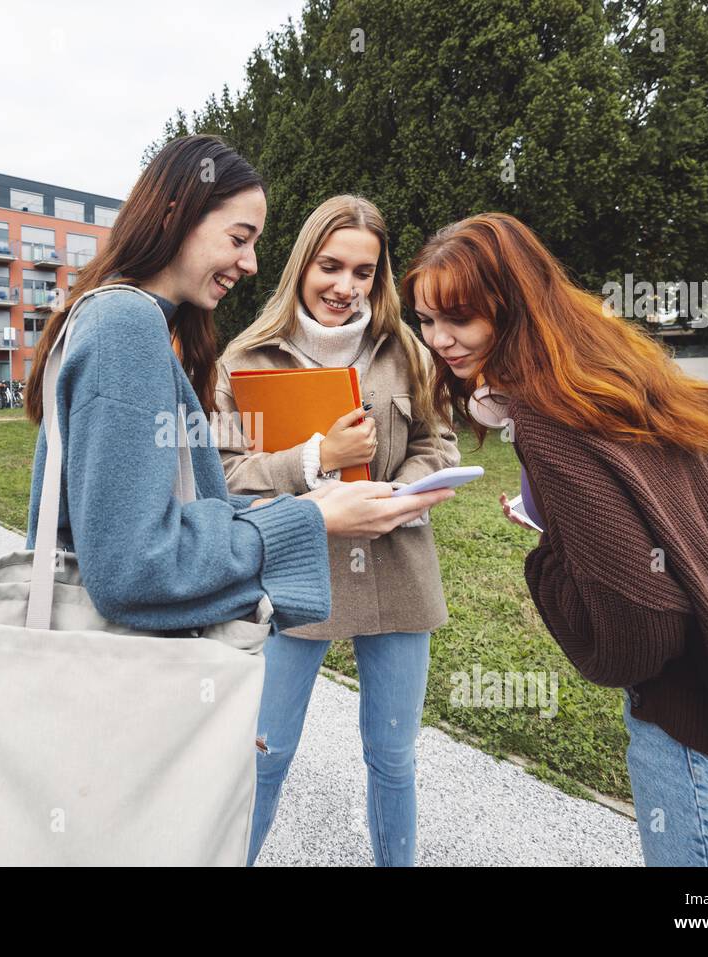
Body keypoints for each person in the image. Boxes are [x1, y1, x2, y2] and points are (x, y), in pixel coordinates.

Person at [402, 211, 708, 866]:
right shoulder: (611, 372)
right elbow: (659, 523)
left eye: (459, 317)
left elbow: (638, 628)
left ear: (513, 307)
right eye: (424, 318)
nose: (439, 339)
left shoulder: (547, 417)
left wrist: (547, 560)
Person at [23, 137, 451, 679]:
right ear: (177, 216)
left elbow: (183, 511)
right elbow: (135, 568)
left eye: (363, 273)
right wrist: (314, 513)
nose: (250, 264)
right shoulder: (126, 330)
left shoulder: (123, 319)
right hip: (126, 676)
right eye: (239, 238)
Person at [215, 195, 461, 866]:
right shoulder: (247, 357)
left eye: (363, 272)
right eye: (331, 266)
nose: (345, 287)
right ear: (302, 263)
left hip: (398, 570)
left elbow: (438, 442)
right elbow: (228, 474)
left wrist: (403, 496)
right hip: (295, 576)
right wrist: (314, 458)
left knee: (392, 758)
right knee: (263, 752)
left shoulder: (405, 347)